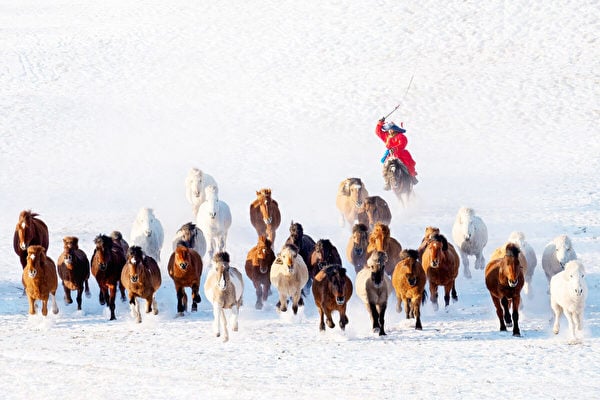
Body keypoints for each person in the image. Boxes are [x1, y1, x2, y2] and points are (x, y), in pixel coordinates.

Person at [375, 117, 418, 190]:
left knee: (407, 165)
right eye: (389, 129)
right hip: (390, 155)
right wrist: (379, 124)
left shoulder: (401, 136)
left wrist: (395, 148)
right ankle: (387, 182)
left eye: (391, 129)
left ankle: (412, 177)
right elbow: (378, 132)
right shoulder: (386, 136)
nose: (390, 131)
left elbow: (403, 144)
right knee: (385, 167)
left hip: (400, 154)